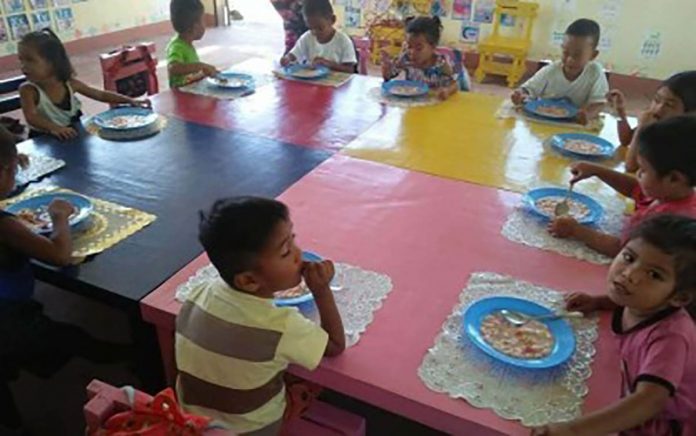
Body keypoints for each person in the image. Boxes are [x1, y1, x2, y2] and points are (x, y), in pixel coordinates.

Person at [175, 196, 345, 434]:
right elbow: (336, 345)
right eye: (286, 252)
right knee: (309, 382)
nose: (299, 254)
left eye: (293, 240)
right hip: (254, 430)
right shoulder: (281, 327)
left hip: (193, 421)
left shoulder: (199, 292)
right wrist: (322, 290)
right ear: (248, 280)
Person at [0, 127, 128, 432]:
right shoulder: (5, 227)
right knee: (71, 339)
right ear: (5, 170)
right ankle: (120, 356)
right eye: (13, 170)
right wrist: (58, 215)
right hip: (9, 317)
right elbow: (60, 256)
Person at [533, 214, 696, 436]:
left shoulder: (670, 337)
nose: (629, 275)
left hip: (663, 422)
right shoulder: (641, 300)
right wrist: (598, 301)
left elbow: (651, 401)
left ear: (679, 298)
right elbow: (623, 300)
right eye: (629, 258)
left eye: (654, 274)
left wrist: (572, 430)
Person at [549, 115, 696, 258]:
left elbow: (623, 249)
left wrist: (577, 231)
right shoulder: (668, 192)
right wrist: (597, 170)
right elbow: (634, 189)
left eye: (644, 170)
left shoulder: (671, 222)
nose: (638, 174)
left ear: (674, 178)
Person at [18, 29, 150, 141]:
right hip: (44, 140)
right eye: (21, 60)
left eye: (30, 60)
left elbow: (99, 94)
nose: (23, 66)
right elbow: (31, 117)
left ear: (52, 62)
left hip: (73, 135)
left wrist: (128, 100)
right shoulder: (29, 90)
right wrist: (55, 129)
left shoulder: (69, 84)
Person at [511, 19, 609, 125]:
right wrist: (520, 94)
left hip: (574, 124)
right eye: (565, 52)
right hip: (543, 121)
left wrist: (587, 115)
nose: (569, 59)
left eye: (577, 55)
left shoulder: (595, 72)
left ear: (593, 55)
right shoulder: (551, 70)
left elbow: (599, 103)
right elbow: (527, 89)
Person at [607, 71, 696, 172]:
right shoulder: (660, 122)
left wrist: (642, 128)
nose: (658, 109)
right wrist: (619, 111)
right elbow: (627, 139)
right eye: (657, 100)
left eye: (669, 105)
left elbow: (632, 166)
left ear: (691, 113)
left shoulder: (683, 139)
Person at [381, 16, 460, 100]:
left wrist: (446, 91)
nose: (412, 52)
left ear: (433, 46)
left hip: (433, 105)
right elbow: (389, 77)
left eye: (419, 48)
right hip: (412, 105)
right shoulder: (405, 58)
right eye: (409, 46)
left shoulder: (440, 63)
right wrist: (386, 69)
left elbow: (454, 85)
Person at [279, 0, 357, 73]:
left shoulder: (343, 41)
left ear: (332, 20)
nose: (315, 32)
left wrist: (329, 64)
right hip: (313, 83)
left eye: (320, 28)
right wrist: (287, 59)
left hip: (338, 85)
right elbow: (294, 54)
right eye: (311, 28)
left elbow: (350, 70)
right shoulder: (307, 38)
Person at [167, 0, 219, 88]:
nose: (205, 25)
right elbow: (173, 68)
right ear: (194, 27)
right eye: (203, 21)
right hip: (181, 96)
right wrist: (201, 66)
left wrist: (203, 73)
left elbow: (189, 76)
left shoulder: (186, 44)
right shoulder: (177, 46)